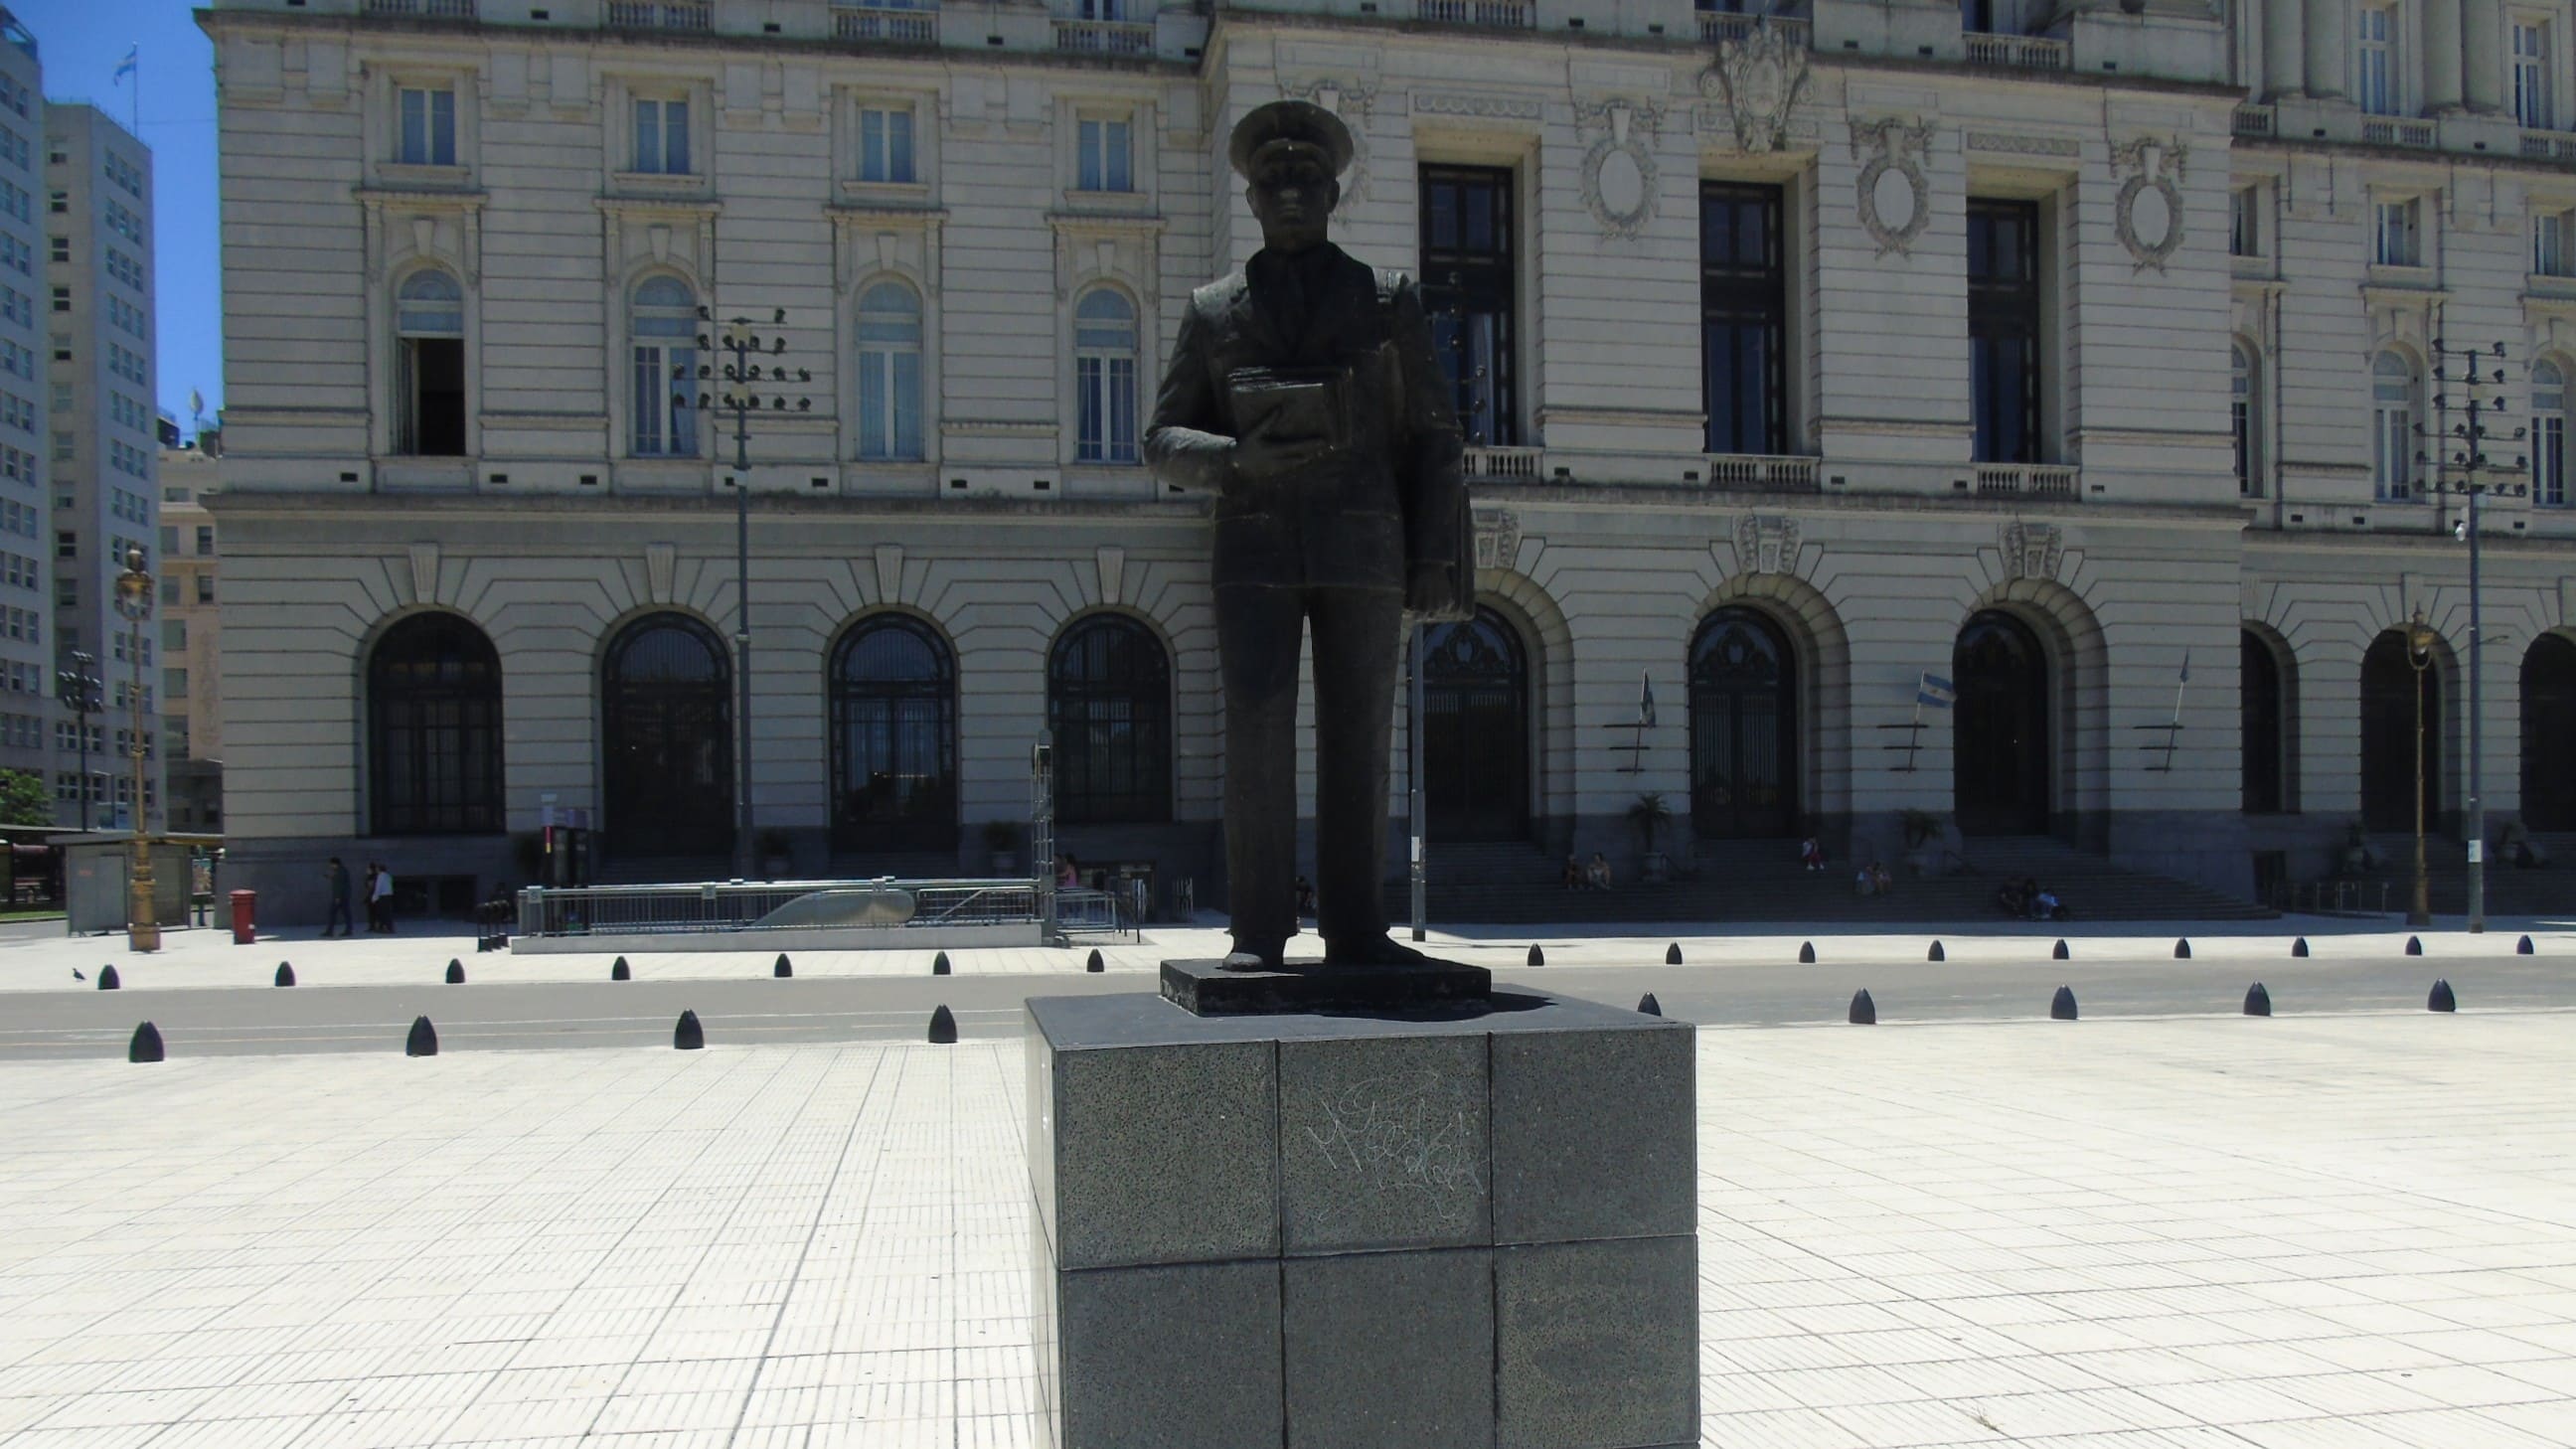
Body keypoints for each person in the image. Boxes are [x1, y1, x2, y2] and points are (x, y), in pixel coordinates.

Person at [1143, 99, 1473, 971]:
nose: (1289, 193)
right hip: (1252, 546)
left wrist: (1434, 554)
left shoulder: (1386, 301)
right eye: (1272, 182)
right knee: (1254, 735)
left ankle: (1359, 930)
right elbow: (1161, 439)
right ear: (1250, 199)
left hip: (1363, 545)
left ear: (1334, 193)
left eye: (1305, 181)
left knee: (1360, 735)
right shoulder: (1213, 311)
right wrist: (1233, 457)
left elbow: (1435, 431)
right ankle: (1257, 933)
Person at [322, 857, 354, 938]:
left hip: (340, 897)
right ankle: (347, 930)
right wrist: (330, 877)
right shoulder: (341, 870)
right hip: (343, 896)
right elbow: (338, 881)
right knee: (345, 914)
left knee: (335, 913)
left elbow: (339, 885)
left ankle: (331, 931)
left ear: (335, 864)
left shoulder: (340, 871)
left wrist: (337, 897)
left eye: (331, 864)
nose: (330, 866)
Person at [370, 862, 396, 933]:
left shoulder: (380, 876)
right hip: (389, 896)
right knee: (388, 913)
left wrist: (374, 898)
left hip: (383, 897)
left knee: (382, 913)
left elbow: (378, 888)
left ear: (379, 869)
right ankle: (390, 928)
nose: (376, 870)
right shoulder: (388, 876)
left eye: (377, 869)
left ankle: (384, 928)